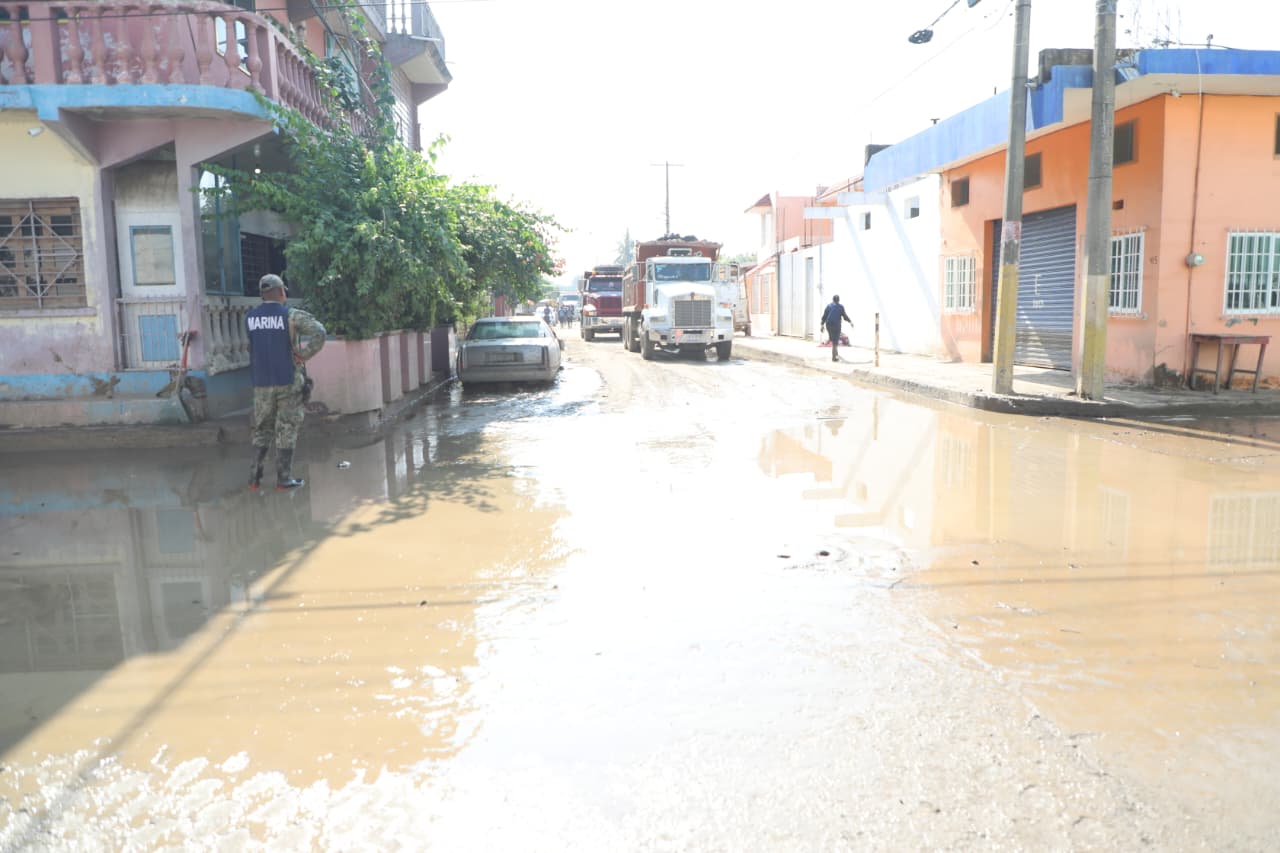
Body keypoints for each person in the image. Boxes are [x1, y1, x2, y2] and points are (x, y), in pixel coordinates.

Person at [246, 274, 327, 491]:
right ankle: (284, 479)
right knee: (286, 427)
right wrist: (304, 354)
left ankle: (254, 479)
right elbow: (319, 331)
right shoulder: (290, 315)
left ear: (262, 294)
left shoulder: (250, 317)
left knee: (262, 428)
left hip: (261, 382)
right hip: (287, 380)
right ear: (282, 292)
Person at [820, 294, 852, 363]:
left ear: (833, 300)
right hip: (836, 326)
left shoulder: (828, 306)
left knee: (833, 340)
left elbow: (824, 316)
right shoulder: (841, 307)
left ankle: (835, 351)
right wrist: (850, 321)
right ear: (838, 300)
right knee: (835, 342)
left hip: (828, 325)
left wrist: (822, 325)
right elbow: (845, 316)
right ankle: (834, 357)